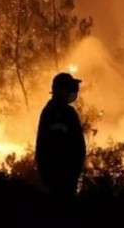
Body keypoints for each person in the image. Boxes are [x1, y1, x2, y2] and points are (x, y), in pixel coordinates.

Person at [35, 72, 86, 201]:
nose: (72, 92)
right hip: (60, 176)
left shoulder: (58, 111)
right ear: (60, 90)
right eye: (68, 88)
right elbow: (47, 147)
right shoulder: (58, 112)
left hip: (63, 176)